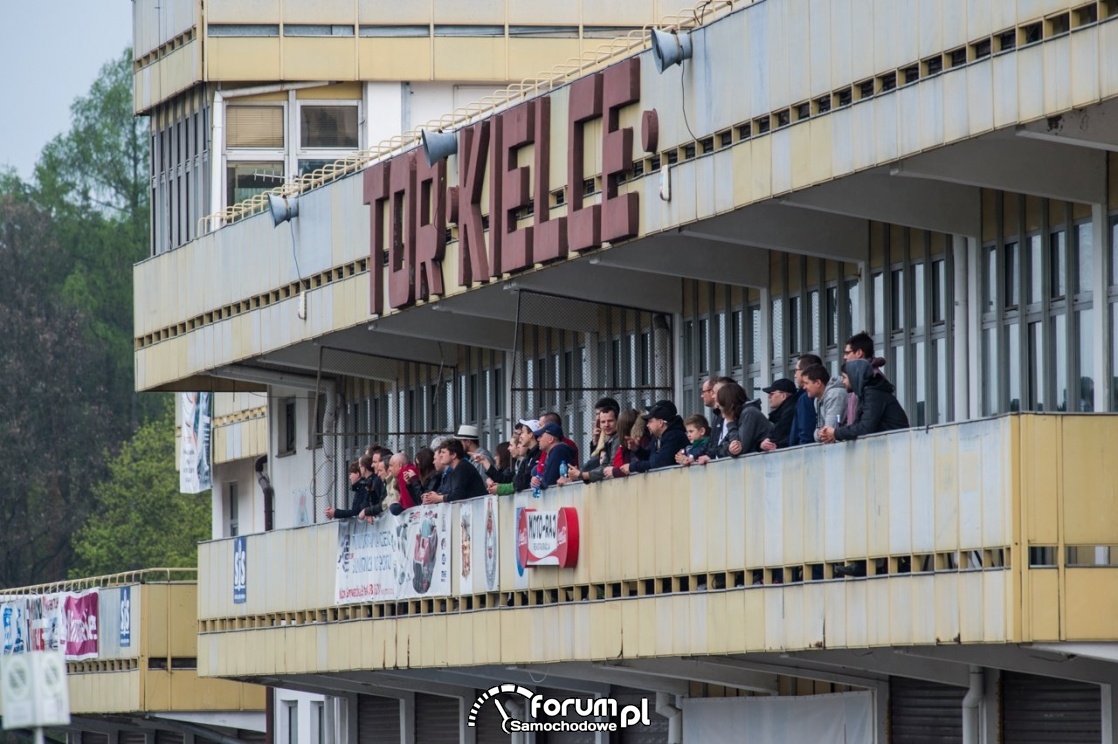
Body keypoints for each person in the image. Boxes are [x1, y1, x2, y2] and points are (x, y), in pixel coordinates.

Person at [818, 359, 909, 442]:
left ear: (854, 377)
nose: (843, 382)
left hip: (896, 445)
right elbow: (860, 425)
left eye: (845, 377)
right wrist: (836, 433)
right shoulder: (868, 393)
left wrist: (835, 433)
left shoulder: (873, 394)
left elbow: (865, 428)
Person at [708, 381, 771, 459]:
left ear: (728, 404)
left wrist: (730, 423)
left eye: (721, 405)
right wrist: (729, 449)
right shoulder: (738, 415)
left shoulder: (749, 413)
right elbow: (719, 448)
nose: (720, 408)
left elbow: (740, 449)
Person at [623, 400, 688, 474]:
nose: (647, 425)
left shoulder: (674, 436)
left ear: (660, 423)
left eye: (650, 421)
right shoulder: (657, 437)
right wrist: (636, 449)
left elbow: (658, 463)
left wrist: (632, 467)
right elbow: (649, 457)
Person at [422, 439, 488, 503]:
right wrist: (432, 496)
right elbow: (448, 492)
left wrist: (438, 498)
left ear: (453, 455)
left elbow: (458, 495)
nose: (441, 455)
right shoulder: (455, 469)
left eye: (443, 452)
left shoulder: (462, 468)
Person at [801, 364, 848, 442]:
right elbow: (819, 431)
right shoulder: (817, 400)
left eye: (806, 383)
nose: (804, 387)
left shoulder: (835, 394)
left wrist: (822, 433)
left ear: (818, 383)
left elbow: (832, 428)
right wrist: (820, 433)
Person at [787, 354, 821, 447]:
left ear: (805, 371)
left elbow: (805, 431)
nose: (794, 375)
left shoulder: (806, 397)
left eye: (796, 370)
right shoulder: (811, 395)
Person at [530, 422, 577, 489]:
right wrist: (537, 480)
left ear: (551, 439)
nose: (538, 439)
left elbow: (549, 481)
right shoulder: (555, 451)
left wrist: (540, 482)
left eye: (541, 436)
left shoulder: (558, 450)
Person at [759, 378, 797, 450]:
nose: (769, 397)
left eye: (772, 394)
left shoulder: (789, 412)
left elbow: (775, 437)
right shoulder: (784, 412)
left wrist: (763, 444)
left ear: (783, 396)